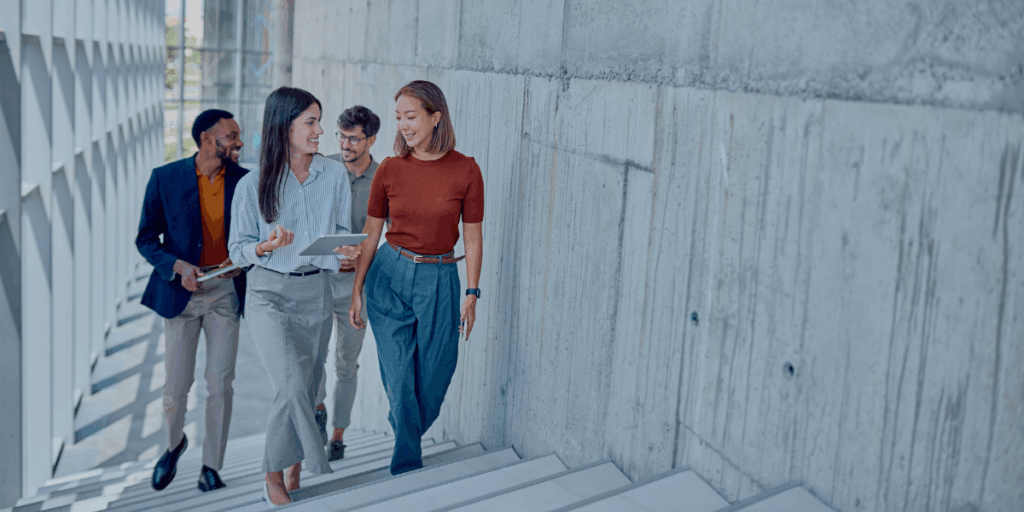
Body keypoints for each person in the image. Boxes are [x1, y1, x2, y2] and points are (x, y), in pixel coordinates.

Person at [228, 86, 362, 507]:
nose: (320, 130)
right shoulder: (253, 185)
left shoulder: (334, 174)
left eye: (319, 120)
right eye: (310, 122)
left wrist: (346, 249)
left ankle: (295, 464)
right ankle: (272, 476)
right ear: (284, 127)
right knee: (289, 383)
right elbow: (237, 250)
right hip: (268, 294)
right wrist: (264, 247)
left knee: (303, 385)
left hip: (315, 292)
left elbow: (339, 230)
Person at [349, 80, 484, 476]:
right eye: (398, 118)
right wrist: (357, 289)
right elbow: (372, 233)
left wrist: (472, 292)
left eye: (411, 117)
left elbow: (473, 237)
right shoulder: (389, 169)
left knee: (437, 371)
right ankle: (406, 459)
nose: (403, 126)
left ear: (435, 117)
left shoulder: (466, 169)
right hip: (388, 275)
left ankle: (405, 427)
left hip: (441, 279)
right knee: (398, 371)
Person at [135, 109, 247, 493]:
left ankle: (211, 466)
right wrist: (177, 266)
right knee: (175, 388)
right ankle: (173, 445)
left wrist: (241, 260)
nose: (239, 142)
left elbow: (253, 236)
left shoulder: (245, 182)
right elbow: (146, 239)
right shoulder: (164, 179)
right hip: (181, 294)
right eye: (231, 136)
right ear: (205, 139)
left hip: (223, 294)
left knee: (220, 384)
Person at [312, 105, 381, 461]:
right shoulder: (321, 168)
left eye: (354, 138)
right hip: (321, 282)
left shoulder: (384, 178)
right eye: (341, 135)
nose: (345, 143)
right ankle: (320, 409)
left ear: (371, 139)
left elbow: (389, 231)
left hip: (358, 286)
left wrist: (362, 253)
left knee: (346, 364)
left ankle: (338, 435)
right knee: (314, 358)